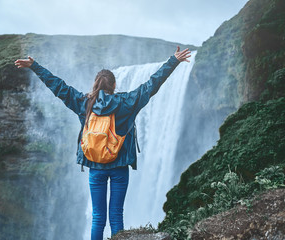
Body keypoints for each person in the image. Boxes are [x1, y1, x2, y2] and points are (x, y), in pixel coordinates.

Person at [14, 47, 191, 240]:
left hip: (95, 167)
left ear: (95, 85)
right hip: (120, 166)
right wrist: (173, 61)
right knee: (116, 215)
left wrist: (34, 66)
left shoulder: (84, 103)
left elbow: (59, 87)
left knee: (98, 217)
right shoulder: (127, 102)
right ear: (114, 85)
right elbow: (151, 85)